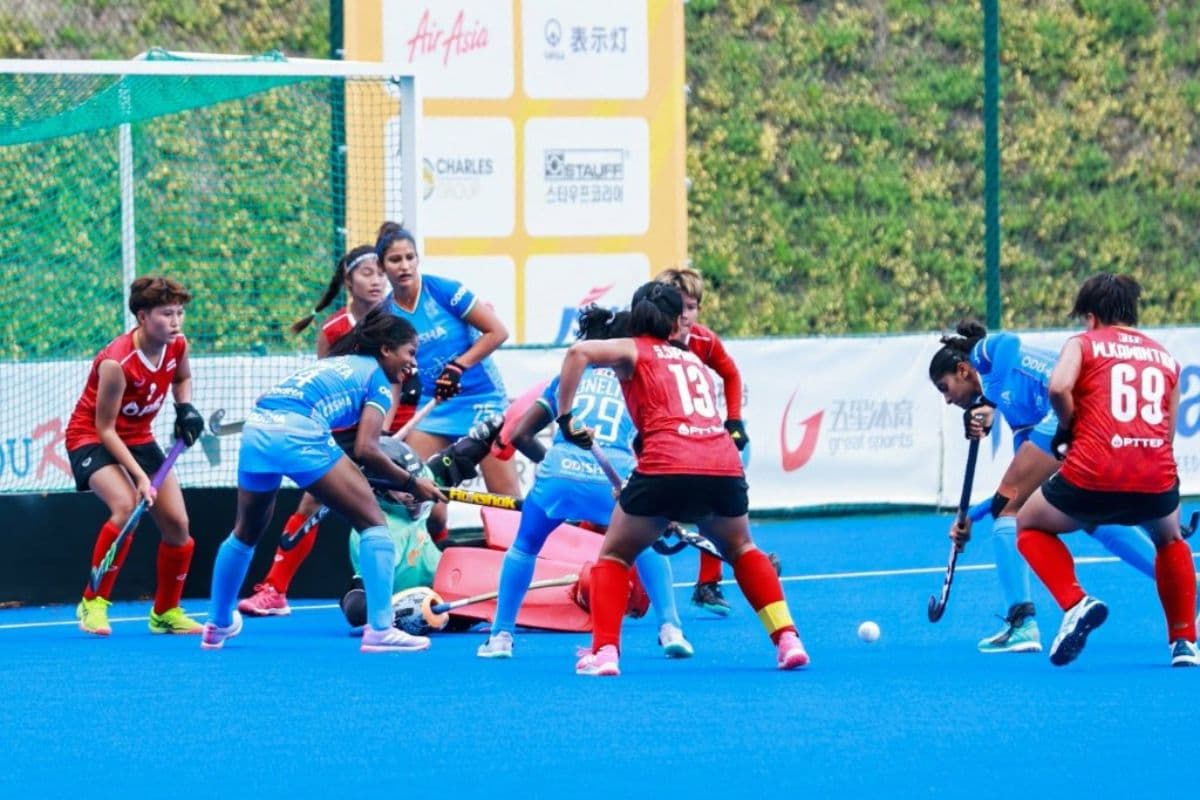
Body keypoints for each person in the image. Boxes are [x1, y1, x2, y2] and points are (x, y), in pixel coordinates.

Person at [556, 282, 808, 676]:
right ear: (676, 323)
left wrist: (566, 418)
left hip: (666, 466)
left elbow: (578, 352)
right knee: (743, 549)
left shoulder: (631, 349)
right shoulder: (693, 361)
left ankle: (605, 652)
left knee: (615, 555)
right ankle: (788, 639)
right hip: (722, 464)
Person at [199, 307, 446, 652]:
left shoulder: (335, 362)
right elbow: (368, 449)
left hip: (259, 429)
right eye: (410, 353)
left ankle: (217, 623)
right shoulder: (377, 380)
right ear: (387, 349)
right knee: (374, 523)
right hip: (299, 431)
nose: (412, 364)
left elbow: (269, 401)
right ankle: (379, 630)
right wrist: (411, 483)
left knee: (246, 531)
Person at [930, 319, 1163, 653]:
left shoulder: (984, 358)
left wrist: (989, 404)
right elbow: (1018, 487)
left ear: (963, 370)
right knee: (1087, 514)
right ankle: (1186, 588)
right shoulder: (1016, 410)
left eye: (945, 387)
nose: (948, 400)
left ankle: (1023, 624)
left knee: (1010, 511)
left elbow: (1009, 341)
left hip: (1075, 413)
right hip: (1095, 421)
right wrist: (971, 516)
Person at [476, 305, 691, 660]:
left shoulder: (570, 376)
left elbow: (518, 434)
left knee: (524, 547)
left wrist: (560, 468)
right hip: (615, 480)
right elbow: (656, 445)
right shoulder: (642, 379)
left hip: (557, 477)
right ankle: (670, 628)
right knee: (644, 547)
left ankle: (500, 636)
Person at [1014, 273, 1197, 667]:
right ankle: (1184, 642)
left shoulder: (1083, 344)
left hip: (1094, 472)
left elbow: (1058, 388)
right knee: (1169, 540)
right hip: (1156, 473)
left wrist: (1066, 429)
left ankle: (1075, 602)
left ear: (1092, 316)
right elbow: (1166, 430)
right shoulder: (1166, 357)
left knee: (1028, 523)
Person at [236, 245, 422, 616]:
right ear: (348, 281)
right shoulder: (334, 328)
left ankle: (416, 583)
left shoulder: (397, 322)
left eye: (379, 274)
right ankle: (275, 589)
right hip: (334, 429)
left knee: (414, 500)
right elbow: (326, 379)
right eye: (367, 273)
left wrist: (382, 434)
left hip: (378, 424)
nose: (376, 281)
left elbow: (391, 384)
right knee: (312, 502)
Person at [66, 276, 207, 636]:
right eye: (166, 313)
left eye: (179, 313)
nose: (175, 321)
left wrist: (185, 408)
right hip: (92, 439)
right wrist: (141, 477)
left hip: (139, 439)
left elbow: (180, 380)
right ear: (143, 317)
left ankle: (165, 612)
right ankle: (93, 602)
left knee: (178, 525)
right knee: (126, 505)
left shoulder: (177, 346)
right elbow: (105, 429)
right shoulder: (117, 362)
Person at [377, 222, 520, 514]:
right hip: (435, 408)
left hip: (482, 399)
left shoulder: (444, 290)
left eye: (409, 257)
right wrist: (379, 432)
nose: (404, 266)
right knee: (418, 496)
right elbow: (393, 381)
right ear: (382, 266)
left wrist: (458, 366)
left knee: (506, 502)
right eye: (395, 260)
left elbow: (497, 332)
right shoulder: (384, 315)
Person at [653, 267, 750, 616]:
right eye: (678, 307)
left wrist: (734, 420)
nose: (684, 316)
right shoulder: (648, 343)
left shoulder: (704, 341)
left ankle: (709, 583)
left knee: (715, 503)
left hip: (699, 434)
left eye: (691, 307)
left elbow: (731, 373)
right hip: (656, 435)